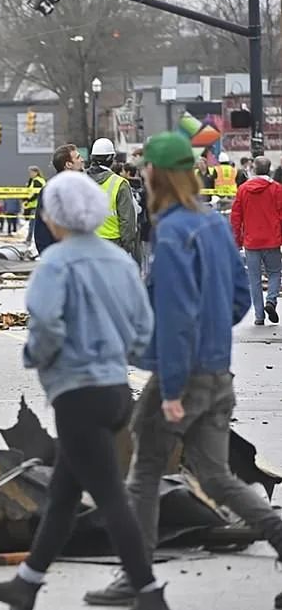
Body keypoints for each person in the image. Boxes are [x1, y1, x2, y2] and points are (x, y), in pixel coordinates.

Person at [86, 132, 282, 610]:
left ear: (156, 174)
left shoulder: (173, 232)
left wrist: (171, 388)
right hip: (216, 368)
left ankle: (136, 577)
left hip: (183, 373)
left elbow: (173, 319)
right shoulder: (210, 223)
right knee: (215, 476)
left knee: (145, 472)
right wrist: (213, 334)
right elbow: (240, 293)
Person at [0, 171, 166, 610]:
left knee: (109, 496)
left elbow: (44, 321)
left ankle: (149, 592)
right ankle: (27, 583)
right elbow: (144, 328)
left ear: (56, 216)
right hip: (116, 390)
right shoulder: (121, 262)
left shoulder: (57, 263)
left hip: (76, 391)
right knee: (63, 492)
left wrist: (37, 356)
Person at [230, 155, 282, 325]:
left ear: (253, 169)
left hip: (251, 241)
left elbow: (236, 218)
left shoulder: (243, 189)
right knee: (274, 273)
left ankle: (259, 316)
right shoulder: (277, 189)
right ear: (269, 170)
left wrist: (237, 240)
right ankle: (271, 300)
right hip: (272, 240)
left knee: (254, 279)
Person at [88, 138, 138, 258]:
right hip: (113, 243)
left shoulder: (81, 180)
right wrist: (127, 246)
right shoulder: (120, 183)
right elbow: (127, 220)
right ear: (111, 158)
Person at [34, 144, 85, 254]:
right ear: (68, 164)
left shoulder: (84, 187)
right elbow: (42, 228)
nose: (82, 160)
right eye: (78, 157)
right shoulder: (51, 191)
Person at [23, 166, 46, 244]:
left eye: (31, 172)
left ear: (36, 172)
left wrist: (28, 200)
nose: (30, 174)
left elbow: (36, 194)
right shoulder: (35, 180)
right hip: (34, 204)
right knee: (32, 223)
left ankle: (30, 240)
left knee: (33, 224)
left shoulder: (37, 181)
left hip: (35, 204)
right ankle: (30, 239)